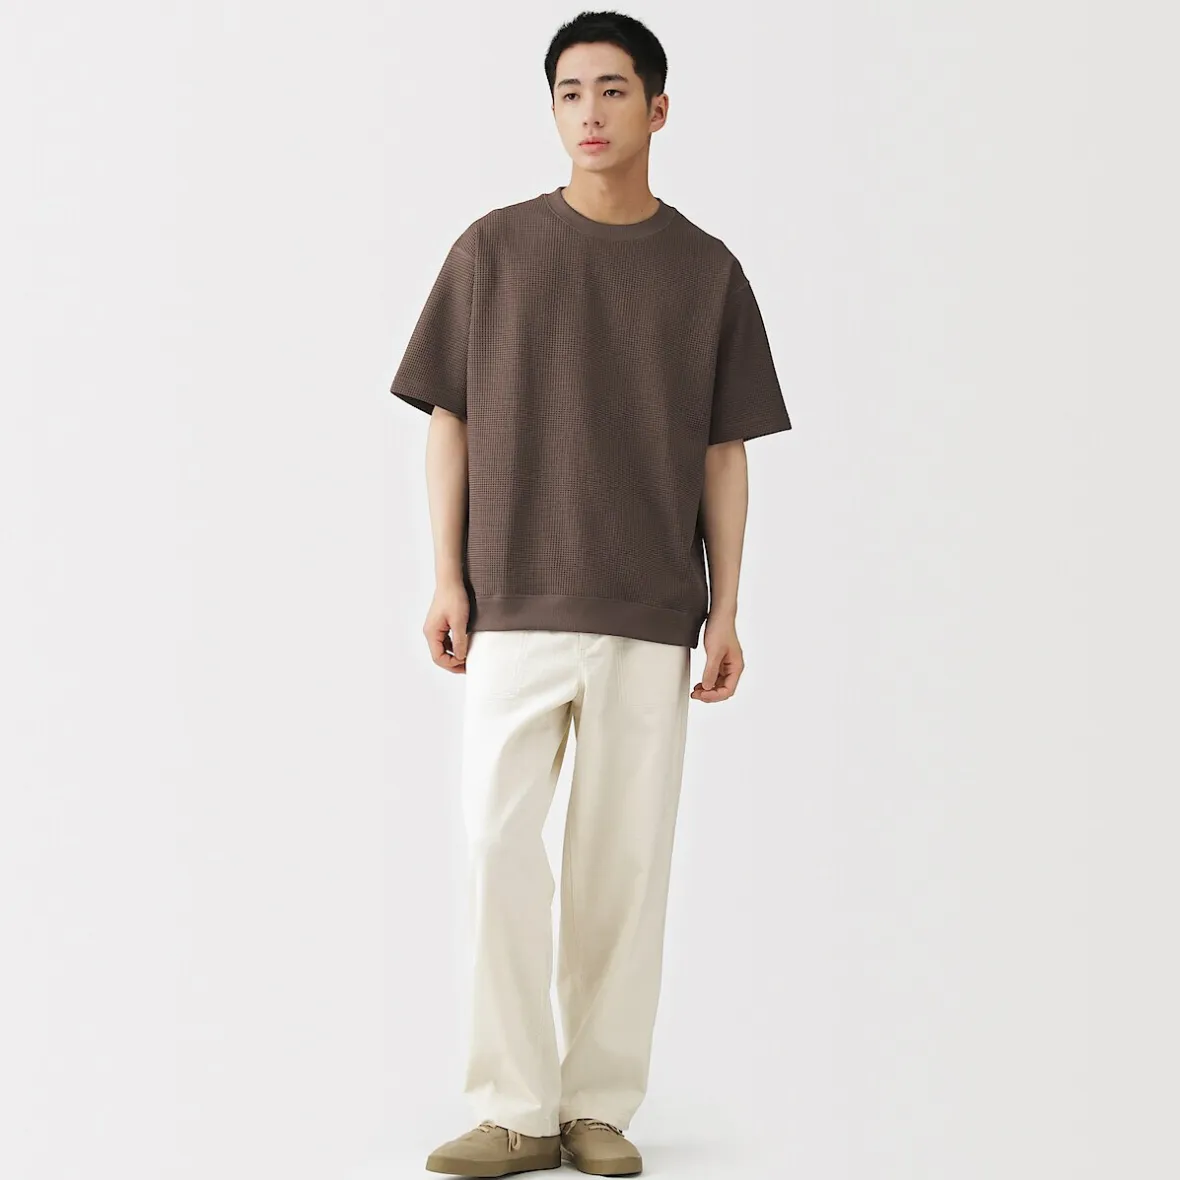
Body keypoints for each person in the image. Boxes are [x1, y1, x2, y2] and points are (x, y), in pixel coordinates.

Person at [389, 11, 792, 1176]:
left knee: (622, 866)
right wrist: (446, 573)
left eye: (613, 91)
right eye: (570, 92)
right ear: (552, 111)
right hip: (512, 601)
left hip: (649, 609)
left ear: (658, 109)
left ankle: (596, 1105)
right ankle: (515, 1106)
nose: (591, 113)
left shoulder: (706, 271)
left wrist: (725, 607)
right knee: (497, 848)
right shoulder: (493, 250)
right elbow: (450, 418)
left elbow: (724, 449)